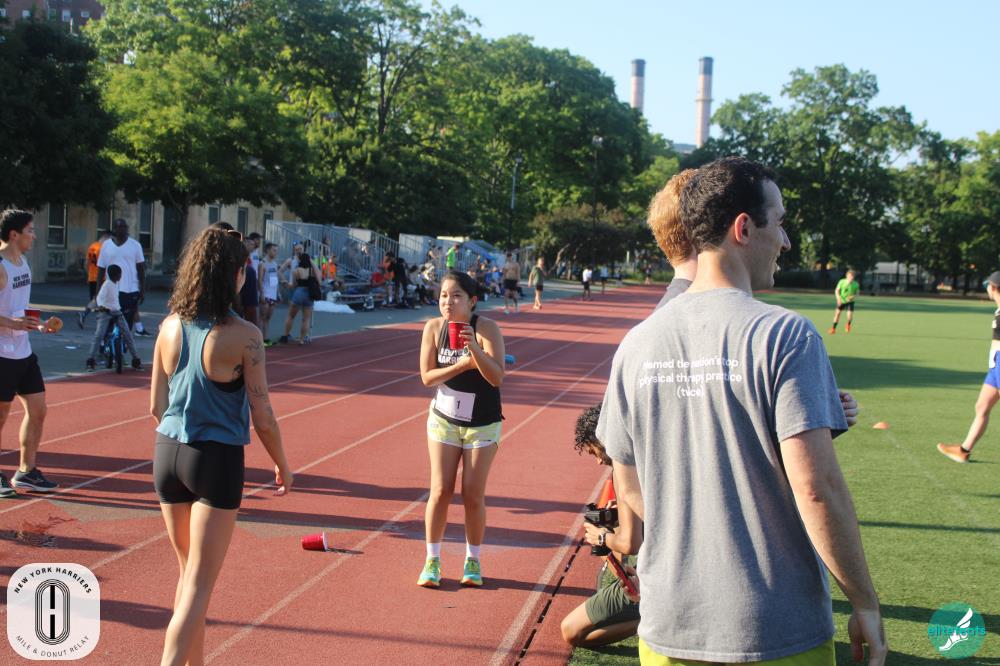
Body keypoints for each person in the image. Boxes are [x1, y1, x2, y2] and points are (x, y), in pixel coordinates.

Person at [600, 158, 886, 665]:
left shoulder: (636, 344)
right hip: (773, 628)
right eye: (780, 222)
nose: (786, 241)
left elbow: (631, 490)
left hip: (668, 627)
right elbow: (816, 488)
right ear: (744, 228)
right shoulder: (785, 335)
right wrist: (864, 601)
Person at [150, 226, 292, 666]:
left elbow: (155, 405)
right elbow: (263, 416)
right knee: (198, 584)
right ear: (235, 274)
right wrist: (283, 464)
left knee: (188, 576)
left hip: (167, 453)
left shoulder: (169, 325)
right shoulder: (245, 335)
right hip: (215, 460)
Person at [417, 270, 505, 588]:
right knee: (441, 490)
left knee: (472, 493)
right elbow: (427, 377)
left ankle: (473, 559)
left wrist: (475, 350)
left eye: (456, 296)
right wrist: (460, 365)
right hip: (444, 419)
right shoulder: (433, 328)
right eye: (444, 295)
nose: (448, 302)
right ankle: (432, 560)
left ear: (472, 301)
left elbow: (496, 376)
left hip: (482, 423)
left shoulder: (487, 328)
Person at [561, 405, 642, 648]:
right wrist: (619, 519)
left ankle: (651, 620)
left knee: (571, 631)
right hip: (680, 568)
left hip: (655, 577)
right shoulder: (645, 456)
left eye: (594, 451)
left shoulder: (623, 468)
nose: (597, 461)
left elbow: (630, 544)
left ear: (604, 436)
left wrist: (601, 537)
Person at [0, 209, 60, 497]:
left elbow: (20, 307)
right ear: (14, 235)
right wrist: (11, 323)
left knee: (38, 411)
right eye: (30, 231)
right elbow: (10, 316)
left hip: (23, 351)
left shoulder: (23, 263)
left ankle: (26, 471)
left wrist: (40, 324)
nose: (34, 236)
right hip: (2, 354)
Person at [937, 270, 1000, 463]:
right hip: (995, 366)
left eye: (987, 285)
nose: (986, 288)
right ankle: (963, 450)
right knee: (982, 406)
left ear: (994, 287)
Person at [85, 264, 142, 371]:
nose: (120, 276)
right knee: (99, 335)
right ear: (115, 275)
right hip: (105, 312)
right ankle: (90, 361)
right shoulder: (107, 284)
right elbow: (100, 298)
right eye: (119, 274)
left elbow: (115, 301)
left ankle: (136, 360)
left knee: (127, 334)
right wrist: (102, 307)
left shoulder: (116, 284)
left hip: (117, 312)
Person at [98, 218, 146, 333]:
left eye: (125, 227)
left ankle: (124, 341)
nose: (123, 230)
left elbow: (141, 270)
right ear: (115, 229)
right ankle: (108, 341)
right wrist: (98, 292)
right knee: (109, 322)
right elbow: (101, 270)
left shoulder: (135, 245)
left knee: (126, 323)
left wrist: (142, 290)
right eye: (120, 227)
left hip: (130, 291)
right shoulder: (106, 245)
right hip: (111, 290)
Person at [280, 253, 320, 344]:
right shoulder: (312, 271)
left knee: (291, 316)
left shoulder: (296, 271)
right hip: (309, 294)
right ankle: (301, 339)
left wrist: (286, 284)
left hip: (299, 293)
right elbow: (319, 280)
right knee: (306, 319)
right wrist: (312, 263)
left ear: (300, 261)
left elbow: (294, 285)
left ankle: (285, 335)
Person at [78, 229, 111, 327]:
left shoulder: (92, 246)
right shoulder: (103, 248)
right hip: (101, 278)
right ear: (106, 237)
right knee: (101, 300)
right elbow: (105, 264)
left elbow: (87, 263)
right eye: (110, 239)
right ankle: (87, 315)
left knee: (96, 299)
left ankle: (86, 315)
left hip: (92, 277)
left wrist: (88, 273)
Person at [258, 243, 280, 346]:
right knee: (262, 317)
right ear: (267, 250)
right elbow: (259, 280)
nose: (276, 253)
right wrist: (261, 293)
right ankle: (259, 340)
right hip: (265, 294)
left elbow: (275, 279)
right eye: (274, 250)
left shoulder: (275, 264)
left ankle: (266, 339)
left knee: (268, 318)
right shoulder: (262, 264)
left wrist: (278, 293)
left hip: (273, 295)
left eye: (276, 251)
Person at [829, 270, 860, 334]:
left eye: (853, 276)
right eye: (850, 276)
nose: (851, 278)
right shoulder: (842, 282)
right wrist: (838, 299)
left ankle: (848, 324)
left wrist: (853, 297)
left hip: (850, 302)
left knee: (849, 316)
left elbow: (857, 294)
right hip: (841, 301)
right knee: (837, 314)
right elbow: (837, 291)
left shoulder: (856, 284)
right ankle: (833, 328)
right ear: (847, 276)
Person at [238, 239, 259, 327]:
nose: (253, 246)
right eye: (251, 244)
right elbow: (251, 310)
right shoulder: (247, 270)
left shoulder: (252, 259)